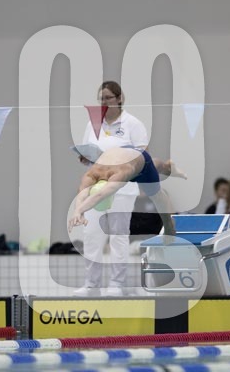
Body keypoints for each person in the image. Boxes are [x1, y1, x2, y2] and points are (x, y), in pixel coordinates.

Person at [74, 81, 148, 297]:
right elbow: (88, 152)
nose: (104, 102)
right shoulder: (93, 124)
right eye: (101, 99)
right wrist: (85, 157)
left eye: (108, 98)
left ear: (119, 98)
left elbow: (142, 156)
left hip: (122, 189)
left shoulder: (133, 124)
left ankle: (117, 283)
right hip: (97, 186)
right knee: (91, 235)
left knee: (118, 236)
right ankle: (91, 284)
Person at [68, 146, 176, 244]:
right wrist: (78, 211)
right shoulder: (91, 174)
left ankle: (169, 226)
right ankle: (165, 166)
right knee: (153, 169)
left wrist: (79, 210)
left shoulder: (120, 174)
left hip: (141, 160)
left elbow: (100, 195)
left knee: (157, 196)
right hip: (123, 153)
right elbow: (82, 193)